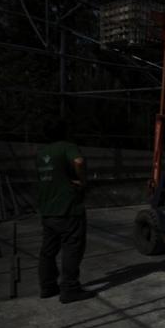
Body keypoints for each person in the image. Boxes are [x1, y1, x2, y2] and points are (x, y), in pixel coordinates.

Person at [36, 118, 96, 304]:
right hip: (68, 208)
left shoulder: (42, 152)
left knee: (48, 251)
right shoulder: (67, 147)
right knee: (72, 248)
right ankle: (69, 289)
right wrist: (82, 181)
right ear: (64, 131)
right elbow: (78, 161)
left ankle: (47, 287)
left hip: (48, 209)